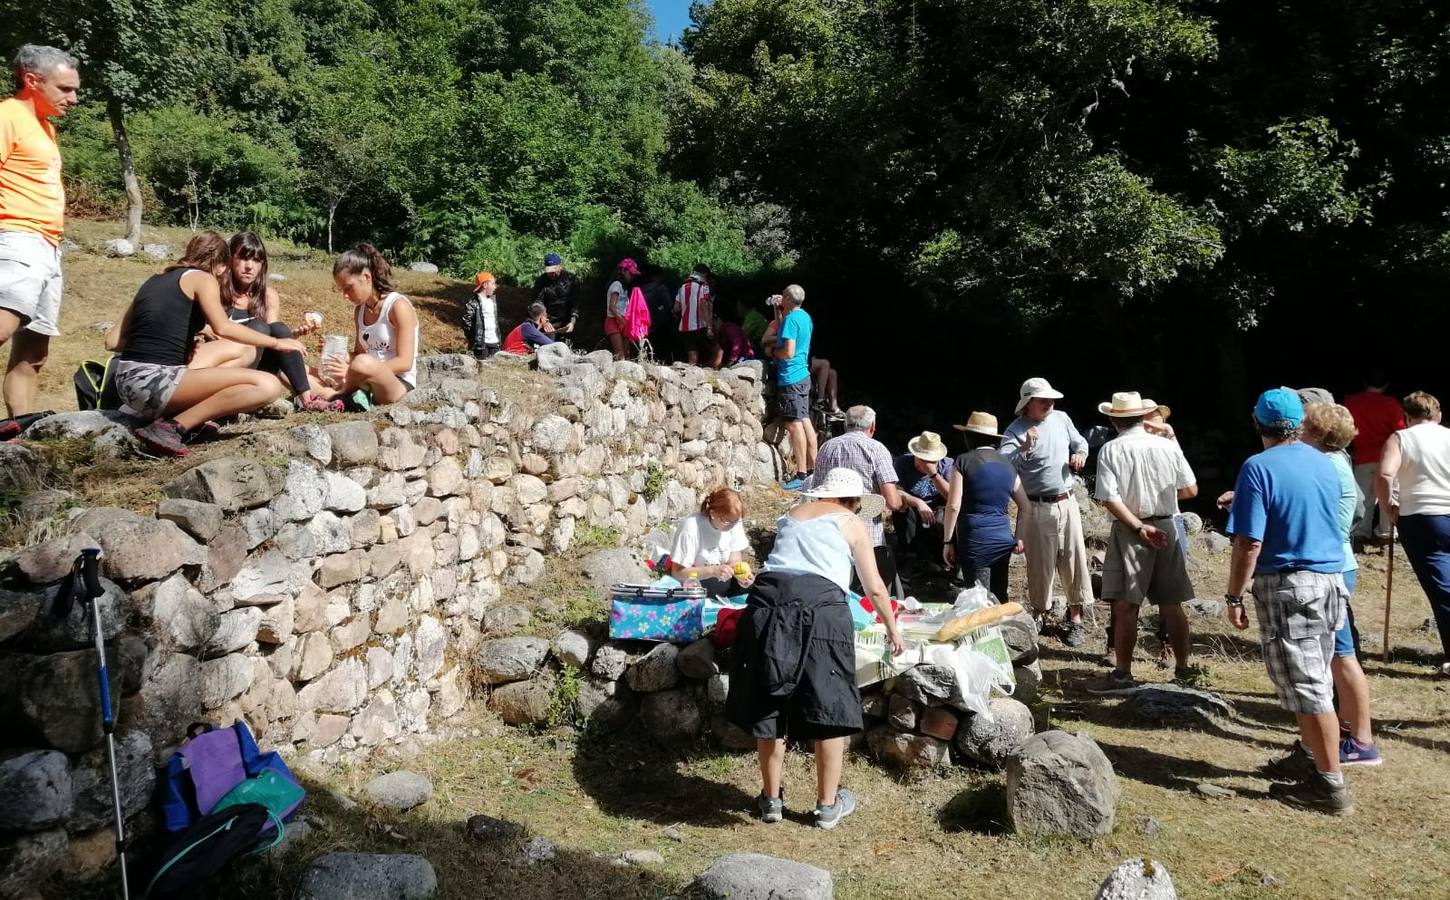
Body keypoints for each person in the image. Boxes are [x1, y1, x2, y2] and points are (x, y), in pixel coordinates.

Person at [725, 468, 903, 830]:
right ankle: (826, 806)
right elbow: (875, 587)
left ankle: (770, 800)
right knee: (828, 701)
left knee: (770, 700)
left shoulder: (792, 515)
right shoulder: (851, 522)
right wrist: (891, 626)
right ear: (853, 500)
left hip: (765, 606)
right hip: (820, 610)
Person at [1223, 388, 1352, 815]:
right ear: (1299, 423)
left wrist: (1234, 595)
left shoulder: (1258, 467)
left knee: (1309, 687)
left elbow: (1249, 542)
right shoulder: (1324, 461)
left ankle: (1330, 786)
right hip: (1330, 580)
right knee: (1314, 677)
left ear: (1258, 423)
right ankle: (1312, 760)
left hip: (1290, 585)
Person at [107, 232, 301, 456]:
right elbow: (223, 327)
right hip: (154, 383)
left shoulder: (153, 280)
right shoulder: (203, 278)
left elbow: (112, 341)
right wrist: (276, 342)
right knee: (268, 385)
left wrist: (165, 344)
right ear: (221, 265)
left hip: (126, 383)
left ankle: (184, 415)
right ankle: (172, 427)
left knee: (243, 351)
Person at [1088, 392, 1199, 692]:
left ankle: (1123, 674)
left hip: (1131, 528)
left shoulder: (1111, 449)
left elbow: (1109, 497)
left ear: (1114, 419)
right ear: (1142, 417)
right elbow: (1190, 490)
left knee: (1126, 604)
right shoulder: (1167, 446)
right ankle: (1183, 671)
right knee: (1171, 603)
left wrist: (1138, 527)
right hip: (1167, 525)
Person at [0, 45, 80, 427]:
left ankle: (19, 431)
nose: (73, 98)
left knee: (34, 351)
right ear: (32, 81)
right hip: (17, 236)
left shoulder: (45, 127)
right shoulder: (7, 116)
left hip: (48, 245)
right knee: (3, 325)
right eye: (65, 89)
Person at [1300, 402, 1381, 766]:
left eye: (1304, 426)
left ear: (1318, 433)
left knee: (1341, 655)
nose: (1298, 431)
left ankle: (1362, 741)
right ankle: (1349, 729)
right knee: (1337, 654)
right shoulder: (1335, 461)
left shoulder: (1325, 466)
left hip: (1331, 566)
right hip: (1338, 563)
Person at [187, 232, 330, 411]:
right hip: (223, 363)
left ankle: (307, 399)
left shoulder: (267, 296)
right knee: (260, 328)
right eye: (243, 258)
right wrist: (208, 329)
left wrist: (291, 336)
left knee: (275, 328)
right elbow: (195, 327)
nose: (249, 266)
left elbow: (273, 334)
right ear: (230, 259)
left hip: (257, 368)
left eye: (256, 260)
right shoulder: (214, 289)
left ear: (263, 264)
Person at [1000, 377, 1094, 645]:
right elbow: (1003, 465)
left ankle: (1076, 618)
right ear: (1028, 403)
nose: (1049, 403)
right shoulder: (1015, 429)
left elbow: (1080, 442)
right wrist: (1024, 448)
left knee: (1074, 558)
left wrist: (1081, 453)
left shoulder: (1061, 418)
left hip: (1067, 501)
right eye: (1043, 400)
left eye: (1051, 399)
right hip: (1036, 505)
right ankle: (1040, 612)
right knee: (1040, 564)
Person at [1375, 391, 1450, 678]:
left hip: (1421, 517)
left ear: (1407, 417)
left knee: (1442, 588)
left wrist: (1389, 508)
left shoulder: (1401, 438)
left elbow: (1385, 474)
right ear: (1438, 414)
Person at [811, 405, 914, 596]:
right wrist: (903, 503)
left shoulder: (827, 447)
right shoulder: (876, 449)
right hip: (867, 536)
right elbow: (892, 502)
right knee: (870, 593)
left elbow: (817, 492)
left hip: (831, 531)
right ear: (872, 426)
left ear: (846, 424)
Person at [313, 243, 419, 406]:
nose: (345, 296)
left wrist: (354, 372)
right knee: (297, 368)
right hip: (363, 376)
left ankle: (336, 396)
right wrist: (336, 353)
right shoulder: (360, 311)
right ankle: (341, 396)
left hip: (396, 383)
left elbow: (405, 362)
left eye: (348, 288)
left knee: (362, 363)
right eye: (342, 290)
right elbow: (359, 354)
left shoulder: (398, 306)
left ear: (366, 277)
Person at [943, 412, 1028, 600]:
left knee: (978, 600)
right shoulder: (1008, 465)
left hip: (975, 540)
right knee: (999, 597)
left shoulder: (963, 461)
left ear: (969, 436)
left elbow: (954, 505)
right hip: (1003, 539)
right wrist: (1018, 537)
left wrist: (948, 541)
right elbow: (1025, 506)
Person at [1344, 373, 1404, 546]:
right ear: (1385, 386)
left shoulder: (1351, 403)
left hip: (1362, 456)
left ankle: (1360, 533)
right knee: (1389, 495)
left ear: (1365, 383)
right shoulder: (1391, 404)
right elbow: (1400, 431)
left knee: (1364, 498)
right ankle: (1386, 534)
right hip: (1388, 457)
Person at [772, 286, 818, 490]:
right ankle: (814, 470)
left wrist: (775, 353)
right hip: (803, 376)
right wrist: (777, 311)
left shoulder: (791, 319)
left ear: (788, 298)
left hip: (790, 377)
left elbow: (788, 352)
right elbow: (785, 331)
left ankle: (800, 474)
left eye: (783, 295)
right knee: (805, 420)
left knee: (794, 424)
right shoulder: (804, 317)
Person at [667, 487, 751, 595]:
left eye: (735, 521)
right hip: (697, 579)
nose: (731, 526)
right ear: (713, 513)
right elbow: (678, 573)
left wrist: (742, 576)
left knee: (758, 583)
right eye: (726, 521)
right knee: (718, 585)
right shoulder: (691, 528)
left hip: (721, 577)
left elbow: (734, 560)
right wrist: (712, 571)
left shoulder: (734, 522)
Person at [891, 430, 953, 568]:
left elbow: (951, 496)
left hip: (938, 508)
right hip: (912, 507)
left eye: (931, 460)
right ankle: (909, 557)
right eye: (923, 459)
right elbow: (896, 491)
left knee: (945, 517)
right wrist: (918, 503)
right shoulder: (903, 462)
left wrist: (933, 473)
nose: (926, 463)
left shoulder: (947, 465)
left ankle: (940, 559)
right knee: (901, 507)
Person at [532, 253, 578, 339]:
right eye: (549, 271)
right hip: (548, 321)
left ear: (560, 267)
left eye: (554, 270)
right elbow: (538, 302)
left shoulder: (570, 279)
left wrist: (572, 322)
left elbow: (575, 303)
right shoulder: (541, 282)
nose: (552, 274)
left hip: (567, 321)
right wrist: (543, 319)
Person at [675, 265, 713, 365]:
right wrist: (709, 326)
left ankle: (691, 372)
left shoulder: (682, 286)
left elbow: (676, 308)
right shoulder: (704, 285)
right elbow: (703, 305)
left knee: (692, 355)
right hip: (700, 325)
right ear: (705, 274)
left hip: (685, 326)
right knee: (715, 350)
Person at [639, 264, 676, 362]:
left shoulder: (640, 290)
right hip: (662, 324)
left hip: (645, 324)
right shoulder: (661, 288)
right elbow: (669, 304)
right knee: (663, 349)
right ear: (656, 276)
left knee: (648, 348)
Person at [604, 258, 639, 360]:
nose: (632, 277)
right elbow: (612, 306)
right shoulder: (616, 285)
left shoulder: (624, 287)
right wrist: (623, 321)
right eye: (631, 274)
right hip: (613, 321)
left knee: (627, 355)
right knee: (621, 356)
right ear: (623, 271)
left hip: (622, 322)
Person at [462, 271, 500, 358]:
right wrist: (474, 338)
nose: (495, 287)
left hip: (495, 342)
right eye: (493, 284)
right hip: (480, 345)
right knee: (481, 364)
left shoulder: (493, 301)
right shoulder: (473, 303)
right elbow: (467, 322)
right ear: (485, 285)